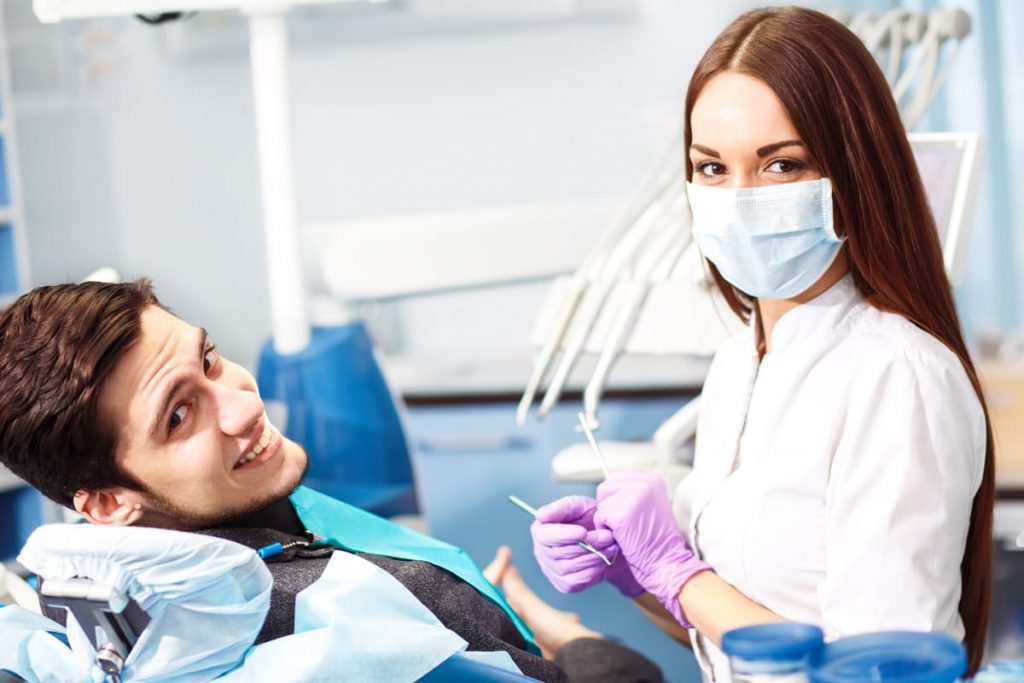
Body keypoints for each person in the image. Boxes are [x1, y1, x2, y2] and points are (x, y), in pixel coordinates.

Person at [529, 6, 994, 681]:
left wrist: (677, 570)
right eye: (712, 168)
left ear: (854, 174)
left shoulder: (898, 376)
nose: (739, 198)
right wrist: (636, 576)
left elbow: (875, 671)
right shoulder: (740, 363)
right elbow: (730, 636)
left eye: (781, 165)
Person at [0, 279, 663, 683]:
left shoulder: (94, 606)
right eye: (179, 414)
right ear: (111, 500)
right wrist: (575, 636)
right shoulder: (360, 617)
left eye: (209, 359)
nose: (242, 404)